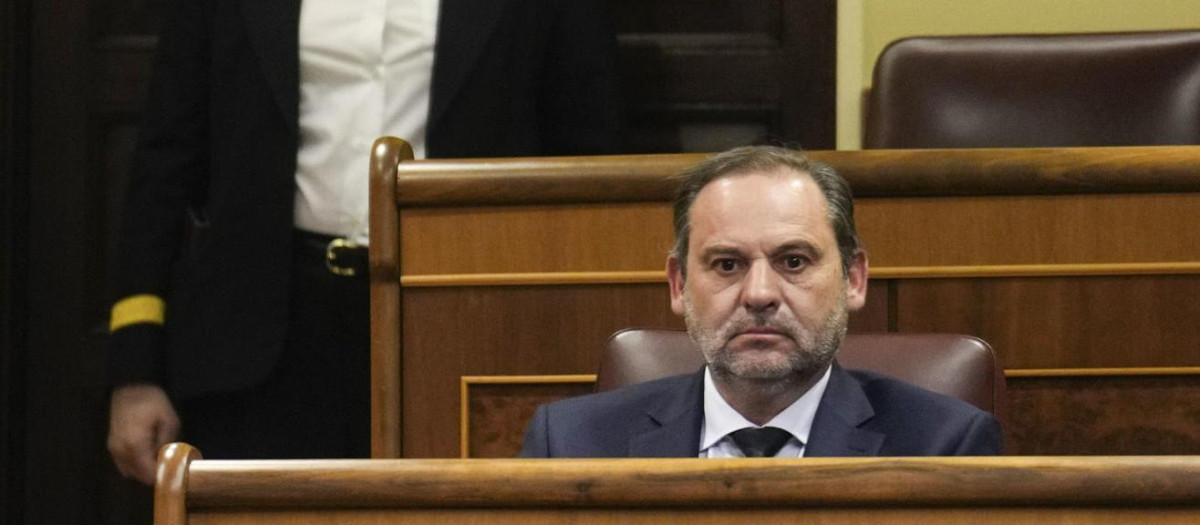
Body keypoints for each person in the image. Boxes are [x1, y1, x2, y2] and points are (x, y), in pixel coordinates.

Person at [107, 0, 623, 485]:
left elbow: (592, 169)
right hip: (262, 336)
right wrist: (136, 371)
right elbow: (164, 170)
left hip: (461, 321)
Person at [519, 146, 1004, 458]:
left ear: (854, 279)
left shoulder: (944, 446)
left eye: (793, 262)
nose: (759, 295)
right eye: (727, 264)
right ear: (679, 284)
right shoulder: (570, 444)